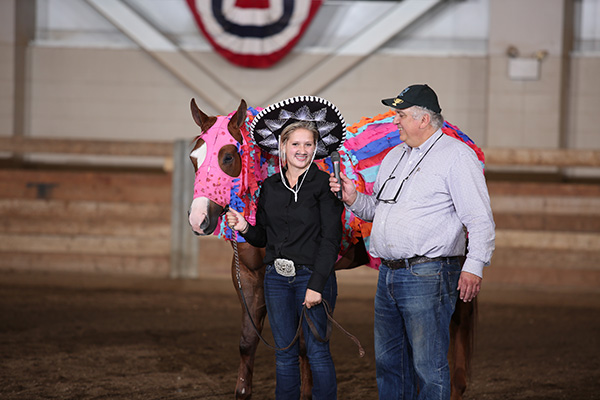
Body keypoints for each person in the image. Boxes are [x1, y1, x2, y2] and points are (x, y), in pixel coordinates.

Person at [329, 84, 495, 400]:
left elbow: (479, 219)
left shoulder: (457, 156)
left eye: (401, 115)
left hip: (428, 274)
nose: (395, 121)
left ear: (424, 119)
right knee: (390, 364)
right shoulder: (395, 156)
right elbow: (378, 209)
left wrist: (474, 266)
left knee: (428, 367)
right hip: (389, 274)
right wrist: (353, 198)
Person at [226, 96, 346, 399]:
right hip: (277, 281)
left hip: (312, 278)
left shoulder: (326, 185)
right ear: (282, 146)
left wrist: (316, 285)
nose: (302, 150)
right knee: (284, 353)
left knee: (317, 352)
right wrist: (244, 227)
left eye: (308, 144)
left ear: (315, 148)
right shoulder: (270, 188)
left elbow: (331, 241)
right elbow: (265, 237)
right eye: (295, 144)